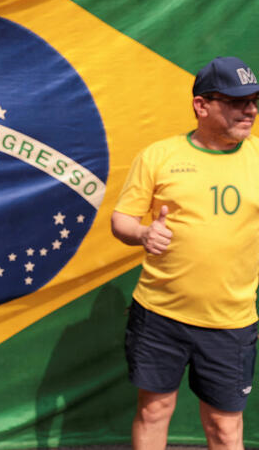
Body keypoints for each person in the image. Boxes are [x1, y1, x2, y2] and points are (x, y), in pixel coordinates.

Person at [111, 56, 259, 450]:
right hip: (159, 316)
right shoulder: (159, 156)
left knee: (225, 430)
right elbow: (121, 221)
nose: (250, 110)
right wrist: (143, 234)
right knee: (154, 412)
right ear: (201, 105)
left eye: (255, 100)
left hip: (230, 322)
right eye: (237, 100)